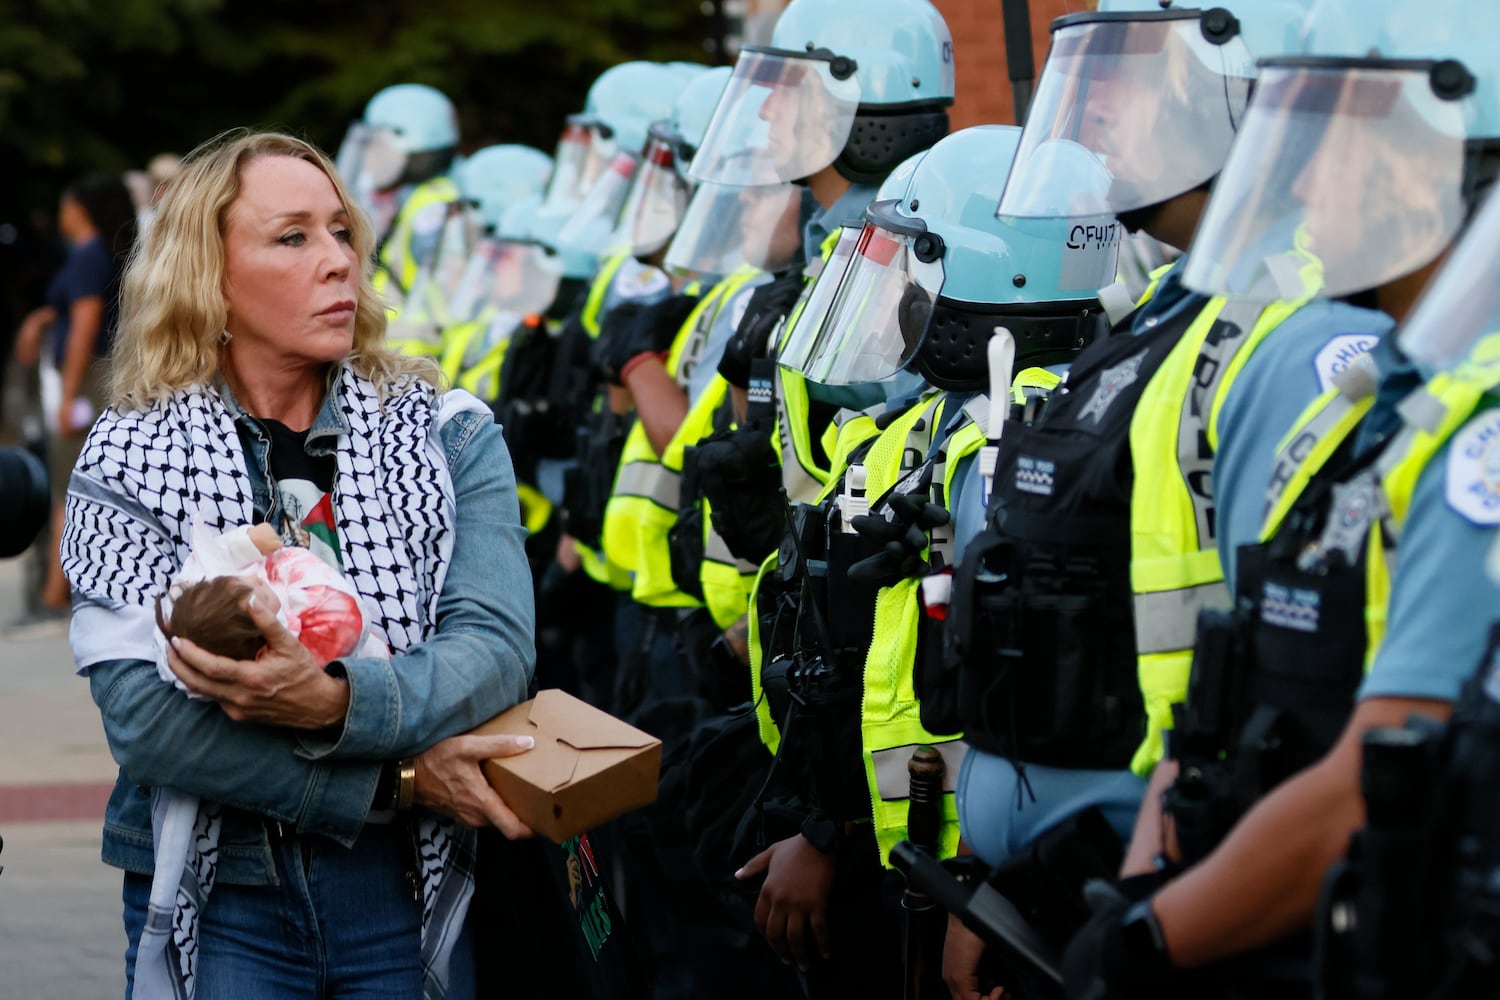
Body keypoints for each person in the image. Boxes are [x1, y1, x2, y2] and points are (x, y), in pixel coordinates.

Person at [61, 129, 537, 999]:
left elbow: (495, 652)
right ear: (209, 276)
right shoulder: (128, 456)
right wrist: (397, 781)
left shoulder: (447, 431)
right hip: (223, 890)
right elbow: (145, 722)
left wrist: (332, 704)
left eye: (342, 232)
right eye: (293, 237)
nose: (338, 264)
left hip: (404, 887)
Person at [10, 171, 137, 637]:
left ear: (80, 208)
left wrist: (66, 397)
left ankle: (53, 595)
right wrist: (43, 317)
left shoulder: (87, 257)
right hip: (95, 378)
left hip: (85, 382)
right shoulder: (98, 254)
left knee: (68, 486)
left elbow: (84, 325)